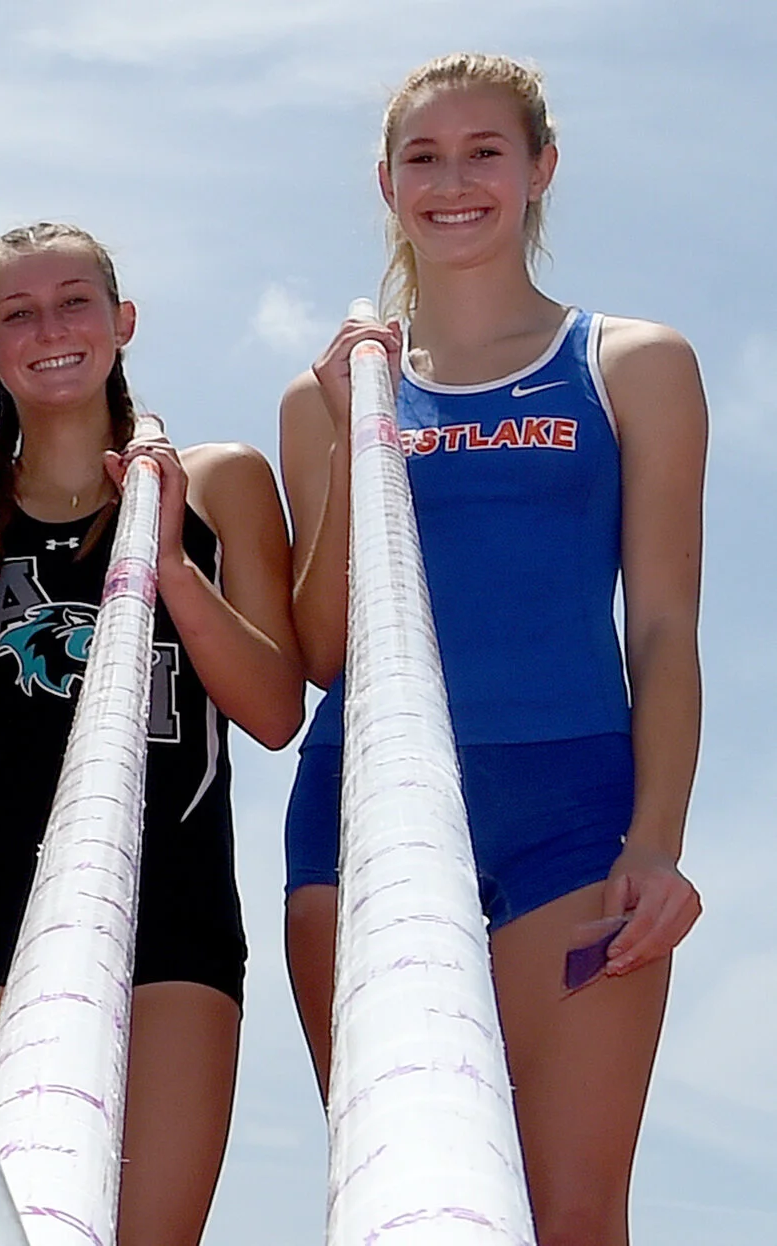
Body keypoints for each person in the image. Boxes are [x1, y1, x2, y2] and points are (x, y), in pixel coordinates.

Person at [279, 53, 705, 1241]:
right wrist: (346, 441)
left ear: (539, 171)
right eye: (423, 156)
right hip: (360, 815)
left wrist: (657, 843)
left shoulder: (634, 365)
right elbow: (322, 649)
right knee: (409, 1202)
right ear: (385, 182)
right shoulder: (326, 394)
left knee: (572, 1210)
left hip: (571, 813)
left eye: (484, 153)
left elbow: (663, 627)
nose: (453, 181)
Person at [0, 222, 304, 1245]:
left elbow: (273, 709)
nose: (52, 329)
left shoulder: (218, 482)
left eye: (74, 301)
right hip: (0, 916)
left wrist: (164, 562)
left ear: (121, 322)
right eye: (17, 313)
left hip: (176, 915)